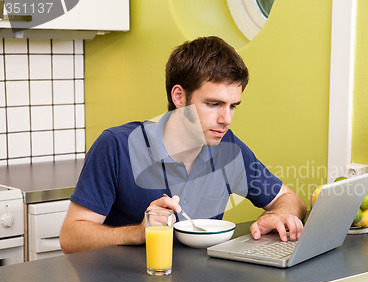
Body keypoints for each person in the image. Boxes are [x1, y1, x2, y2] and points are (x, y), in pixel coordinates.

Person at [60, 36, 306, 254]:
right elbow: (71, 237)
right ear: (179, 96)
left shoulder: (229, 149)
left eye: (233, 106)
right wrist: (138, 232)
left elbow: (289, 199)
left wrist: (278, 215)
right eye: (213, 104)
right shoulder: (116, 146)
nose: (226, 119)